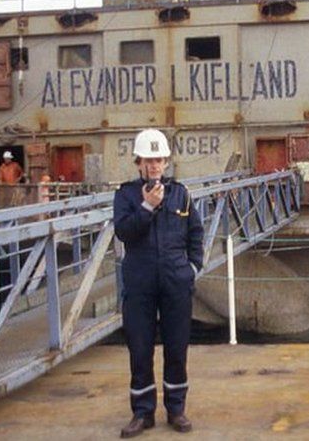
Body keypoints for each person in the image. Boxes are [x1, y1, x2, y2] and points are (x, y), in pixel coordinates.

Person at [114, 128, 204, 438]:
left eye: (159, 160)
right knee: (139, 348)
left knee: (176, 347)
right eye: (149, 160)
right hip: (139, 282)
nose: (154, 166)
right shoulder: (125, 195)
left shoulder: (182, 194)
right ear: (138, 162)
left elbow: (196, 233)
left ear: (166, 162)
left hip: (175, 281)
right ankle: (143, 413)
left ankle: (176, 409)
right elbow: (124, 232)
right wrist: (147, 207)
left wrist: (192, 267)